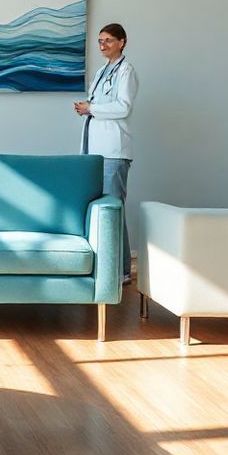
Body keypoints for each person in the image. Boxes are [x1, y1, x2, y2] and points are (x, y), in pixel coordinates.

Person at [74, 23, 139, 283]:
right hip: (94, 150)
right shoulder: (102, 71)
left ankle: (122, 271)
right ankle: (105, 265)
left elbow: (123, 107)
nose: (103, 45)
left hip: (113, 151)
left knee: (114, 209)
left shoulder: (127, 71)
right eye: (100, 41)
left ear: (122, 42)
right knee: (99, 210)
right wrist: (87, 108)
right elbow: (98, 104)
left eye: (109, 40)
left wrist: (91, 108)